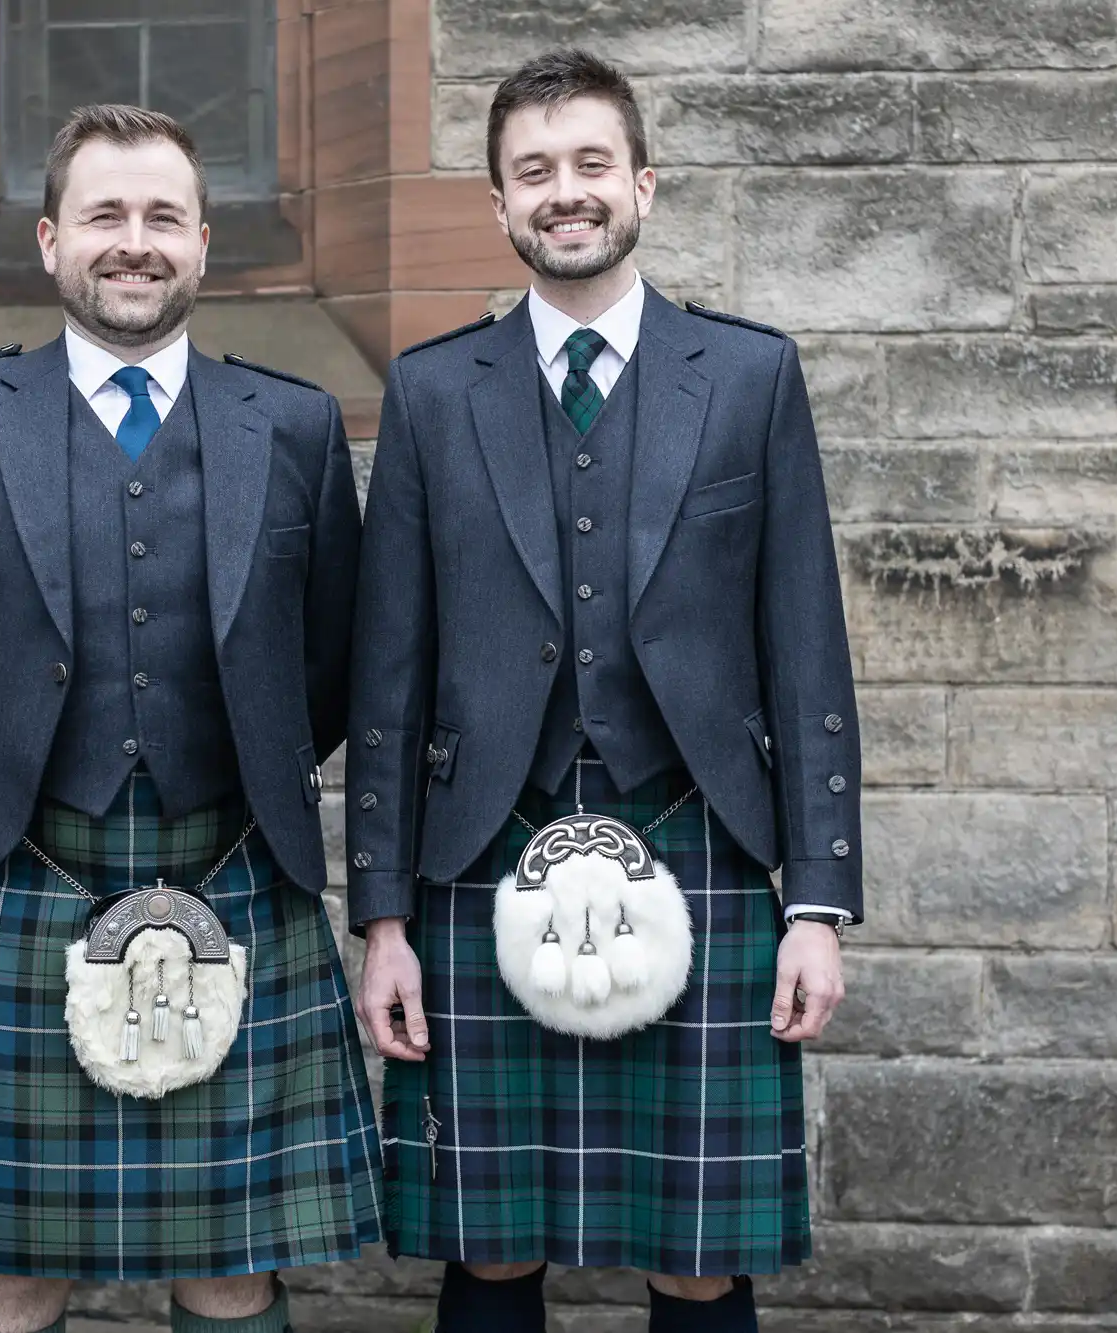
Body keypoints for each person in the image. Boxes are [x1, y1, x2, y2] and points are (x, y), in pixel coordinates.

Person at [346, 49, 859, 1333]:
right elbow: (385, 675)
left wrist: (818, 901)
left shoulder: (747, 377)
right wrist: (384, 919)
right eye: (532, 171)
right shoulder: (429, 390)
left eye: (588, 165)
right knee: (489, 1246)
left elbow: (805, 649)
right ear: (499, 204)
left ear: (642, 181)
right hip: (479, 852)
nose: (562, 193)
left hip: (705, 843)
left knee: (698, 1253)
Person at [0, 104, 378, 1333]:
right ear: (48, 241)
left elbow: (340, 661)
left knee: (231, 1261)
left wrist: (249, 770)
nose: (131, 243)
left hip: (238, 870)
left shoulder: (291, 427)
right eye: (103, 215)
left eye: (160, 218)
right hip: (18, 881)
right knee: (15, 1268)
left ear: (201, 244)